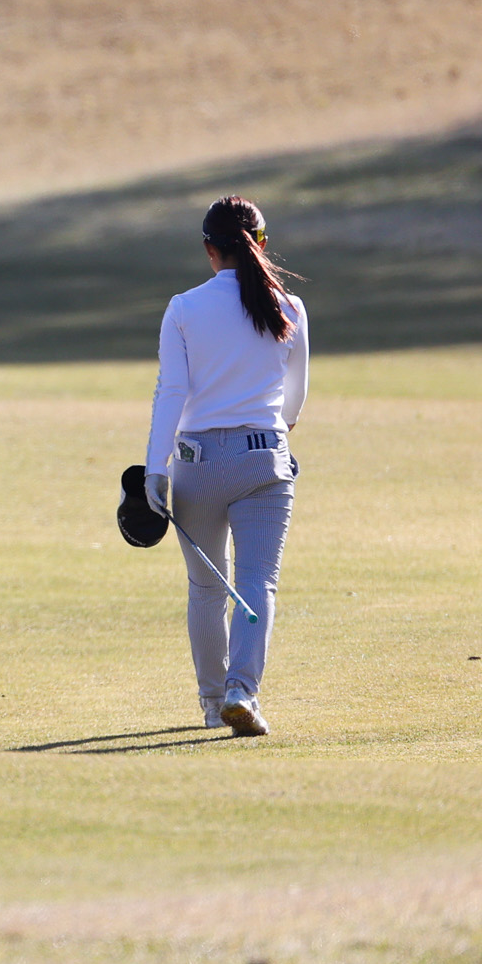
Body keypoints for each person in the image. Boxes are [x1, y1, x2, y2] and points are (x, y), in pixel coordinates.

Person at [144, 196, 308, 737]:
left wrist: (154, 469)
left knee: (207, 589)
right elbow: (292, 405)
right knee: (257, 581)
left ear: (210, 251)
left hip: (196, 464)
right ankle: (243, 689)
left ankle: (214, 704)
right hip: (264, 458)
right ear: (261, 245)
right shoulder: (291, 308)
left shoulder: (183, 307)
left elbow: (171, 392)